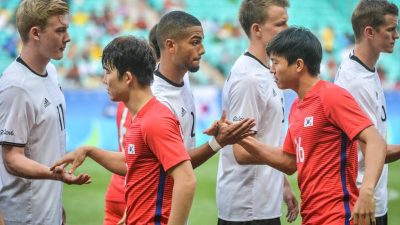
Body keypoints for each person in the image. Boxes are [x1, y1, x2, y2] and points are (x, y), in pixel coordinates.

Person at [236, 27, 386, 225]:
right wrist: (239, 138)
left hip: (339, 217)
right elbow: (289, 162)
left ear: (298, 65)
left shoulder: (331, 96)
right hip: (312, 218)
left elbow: (375, 141)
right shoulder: (297, 107)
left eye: (275, 62)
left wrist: (366, 192)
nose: (271, 69)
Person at [53, 36, 197, 225]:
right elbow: (133, 163)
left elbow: (186, 180)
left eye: (107, 72)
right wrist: (89, 151)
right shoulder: (140, 117)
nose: (104, 80)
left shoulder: (155, 120)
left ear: (128, 78)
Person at [0, 1, 91, 225]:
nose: (68, 37)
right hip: (26, 217)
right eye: (60, 30)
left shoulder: (50, 71)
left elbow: (43, 145)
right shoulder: (16, 87)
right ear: (35, 33)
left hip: (48, 212)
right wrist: (54, 174)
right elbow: (12, 158)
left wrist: (55, 202)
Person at [217, 1, 298, 224]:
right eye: (280, 24)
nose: (288, 29)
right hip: (248, 207)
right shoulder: (249, 78)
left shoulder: (266, 70)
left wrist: (281, 183)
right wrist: (286, 160)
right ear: (257, 30)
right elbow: (241, 150)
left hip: (263, 202)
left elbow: (264, 136)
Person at [334, 1, 400, 225]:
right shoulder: (355, 81)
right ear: (370, 32)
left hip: (370, 198)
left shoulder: (366, 69)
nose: (397, 35)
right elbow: (372, 150)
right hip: (361, 203)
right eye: (391, 29)